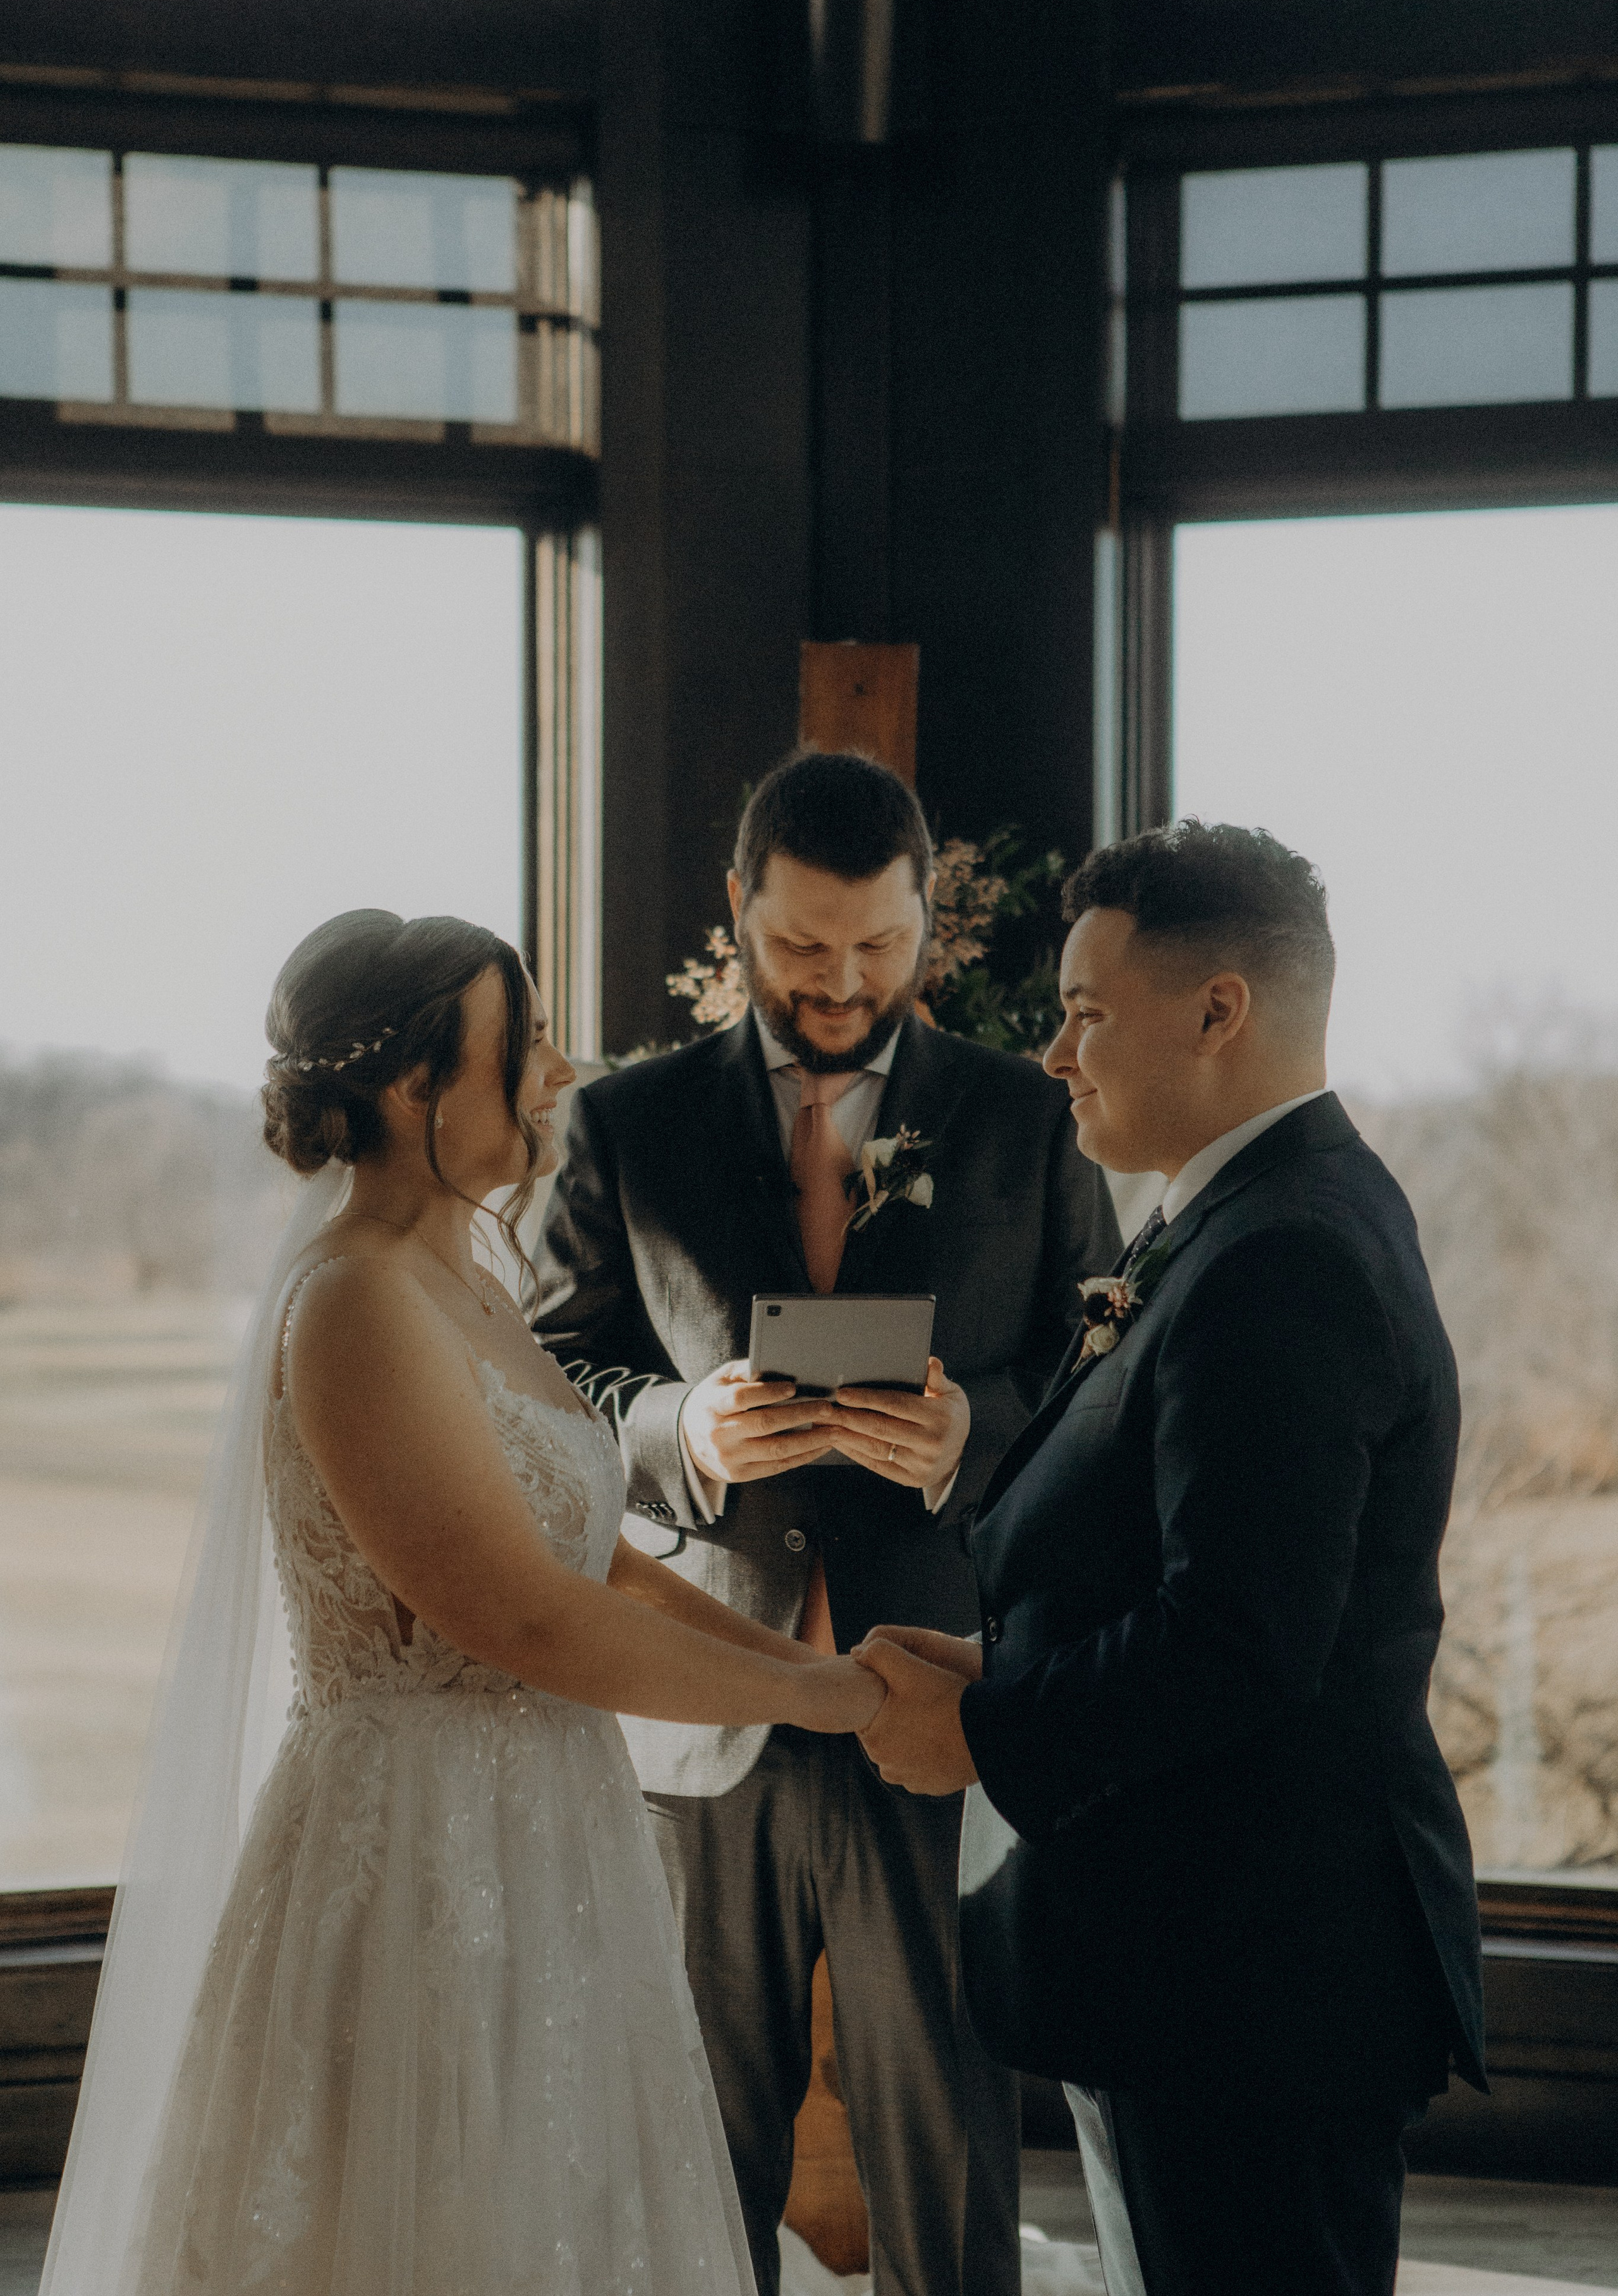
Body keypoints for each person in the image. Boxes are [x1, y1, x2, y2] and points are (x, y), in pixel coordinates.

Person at [41, 909, 881, 2296]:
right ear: (413, 1090)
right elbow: (523, 1620)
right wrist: (822, 1698)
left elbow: (593, 1559)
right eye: (525, 1043)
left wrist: (817, 1669)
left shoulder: (471, 1282)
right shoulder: (358, 1303)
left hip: (551, 1830)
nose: (557, 1071)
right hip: (422, 1853)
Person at [853, 821, 1487, 2296]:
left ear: (1217, 1011)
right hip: (1191, 1965)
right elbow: (1155, 1558)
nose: (1055, 1053)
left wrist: (988, 1727)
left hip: (1252, 1987)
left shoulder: (1286, 1256)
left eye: (1083, 1010)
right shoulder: (1235, 1218)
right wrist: (999, 1656)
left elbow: (1241, 1635)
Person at [533, 750, 1121, 2296]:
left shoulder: (1025, 1118)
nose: (842, 982)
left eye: (877, 945)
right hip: (693, 1708)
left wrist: (969, 1433)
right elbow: (534, 1373)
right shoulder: (623, 1126)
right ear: (737, 910)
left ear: (928, 918)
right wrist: (676, 1429)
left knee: (944, 2136)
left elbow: (1100, 1367)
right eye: (800, 947)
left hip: (918, 1695)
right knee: (687, 2136)